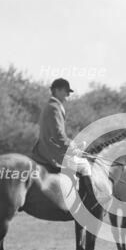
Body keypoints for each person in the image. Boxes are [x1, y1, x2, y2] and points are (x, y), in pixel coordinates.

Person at [31, 78, 95, 207]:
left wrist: (73, 144)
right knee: (85, 165)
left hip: (48, 148)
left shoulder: (50, 106)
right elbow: (58, 136)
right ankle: (91, 201)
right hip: (52, 152)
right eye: (66, 91)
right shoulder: (54, 108)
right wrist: (73, 148)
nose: (68, 94)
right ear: (57, 90)